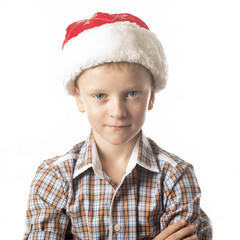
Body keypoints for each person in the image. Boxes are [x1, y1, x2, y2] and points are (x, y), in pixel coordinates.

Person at [24, 12, 212, 239]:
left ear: (151, 95)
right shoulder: (55, 177)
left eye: (132, 93)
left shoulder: (176, 176)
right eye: (100, 95)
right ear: (79, 98)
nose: (118, 112)